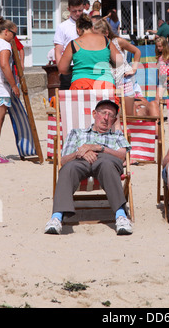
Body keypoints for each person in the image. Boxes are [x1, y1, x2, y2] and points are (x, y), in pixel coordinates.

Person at [44, 99, 133, 235]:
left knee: (107, 165)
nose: (106, 118)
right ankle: (56, 217)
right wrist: (82, 152)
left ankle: (121, 216)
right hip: (80, 161)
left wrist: (98, 148)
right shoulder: (76, 133)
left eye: (111, 115)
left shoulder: (117, 135)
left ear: (114, 120)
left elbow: (121, 156)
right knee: (67, 169)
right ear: (94, 114)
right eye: (103, 113)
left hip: (106, 161)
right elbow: (64, 160)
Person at [57, 14, 122, 92]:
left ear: (78, 30)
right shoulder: (106, 41)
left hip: (80, 84)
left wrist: (74, 69)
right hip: (105, 84)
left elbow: (62, 69)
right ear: (92, 27)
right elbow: (120, 61)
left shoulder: (73, 44)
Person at [93, 18, 141, 115]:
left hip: (125, 80)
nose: (96, 39)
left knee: (128, 114)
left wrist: (134, 69)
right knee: (113, 114)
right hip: (110, 82)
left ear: (106, 33)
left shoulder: (118, 41)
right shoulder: (97, 46)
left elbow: (137, 51)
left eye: (98, 36)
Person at [0, 17, 20, 163]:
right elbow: (5, 65)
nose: (14, 37)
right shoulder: (4, 45)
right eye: (14, 34)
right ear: (6, 32)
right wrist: (13, 85)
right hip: (0, 87)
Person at [53, 0, 84, 90]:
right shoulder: (62, 27)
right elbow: (58, 51)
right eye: (74, 11)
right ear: (69, 9)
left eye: (80, 10)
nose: (78, 14)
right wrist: (61, 70)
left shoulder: (88, 25)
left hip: (85, 66)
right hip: (69, 67)